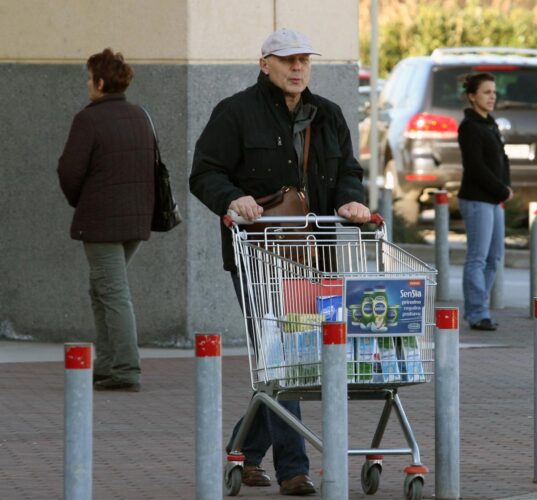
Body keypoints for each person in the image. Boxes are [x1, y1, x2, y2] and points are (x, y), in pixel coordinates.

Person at [189, 28, 369, 495]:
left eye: (304, 60)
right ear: (264, 64)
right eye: (288, 60)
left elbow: (348, 170)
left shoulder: (327, 114)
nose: (297, 67)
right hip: (260, 256)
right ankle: (294, 468)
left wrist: (351, 200)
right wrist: (233, 198)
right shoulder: (235, 112)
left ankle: (244, 452)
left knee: (291, 358)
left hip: (316, 255)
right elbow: (204, 172)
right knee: (284, 354)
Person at [57, 48, 155, 393]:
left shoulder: (88, 119)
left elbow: (69, 172)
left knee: (113, 291)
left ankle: (126, 368)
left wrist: (79, 200)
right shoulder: (140, 116)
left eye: (89, 78)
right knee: (101, 288)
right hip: (136, 221)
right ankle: (107, 363)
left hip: (102, 223)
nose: (87, 84)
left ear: (100, 82)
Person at [457, 72, 513, 331]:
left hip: (494, 200)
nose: (492, 97)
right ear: (472, 96)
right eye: (486, 92)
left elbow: (502, 160)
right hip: (477, 200)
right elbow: (476, 168)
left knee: (494, 257)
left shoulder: (490, 124)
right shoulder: (469, 127)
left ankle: (480, 308)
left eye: (494, 92)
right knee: (477, 258)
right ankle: (477, 312)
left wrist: (505, 189)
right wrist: (501, 190)